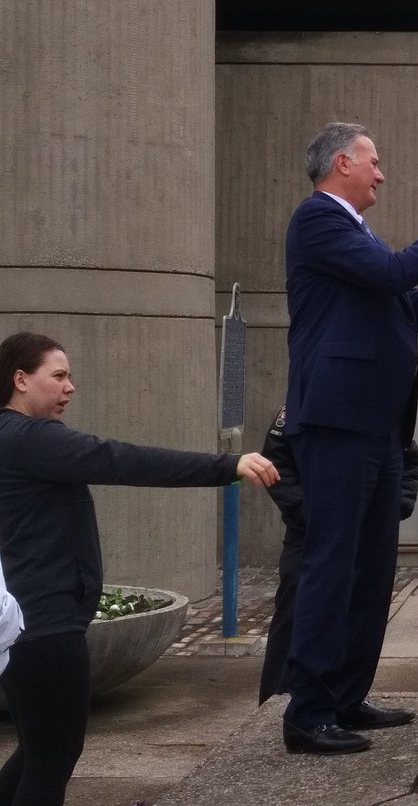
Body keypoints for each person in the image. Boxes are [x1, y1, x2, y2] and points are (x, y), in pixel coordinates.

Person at [0, 331, 279, 805]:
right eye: (59, 375)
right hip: (45, 625)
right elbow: (122, 460)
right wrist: (226, 465)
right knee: (53, 759)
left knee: (38, 751)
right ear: (21, 379)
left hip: (25, 625)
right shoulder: (30, 438)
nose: (70, 387)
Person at [282, 121, 418, 755]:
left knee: (372, 571)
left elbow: (405, 300)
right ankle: (309, 712)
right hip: (337, 425)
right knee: (332, 565)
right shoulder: (317, 220)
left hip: (376, 429)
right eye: (374, 161)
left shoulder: (358, 236)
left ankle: (347, 696)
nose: (382, 173)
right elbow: (394, 274)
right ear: (342, 162)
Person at [256, 402, 418, 706]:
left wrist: (390, 510)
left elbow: (408, 460)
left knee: (358, 618)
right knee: (296, 618)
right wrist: (311, 517)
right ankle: (277, 703)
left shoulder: (381, 405)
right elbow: (276, 462)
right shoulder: (304, 401)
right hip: (311, 538)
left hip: (366, 537)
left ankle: (346, 700)